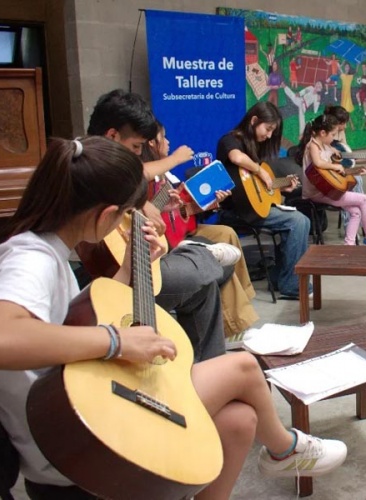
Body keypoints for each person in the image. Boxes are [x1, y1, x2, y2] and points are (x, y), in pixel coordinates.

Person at [0, 136, 348, 500]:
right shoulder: (29, 260)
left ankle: (280, 449)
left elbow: (79, 316)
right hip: (73, 436)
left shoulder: (40, 250)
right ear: (108, 213)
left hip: (72, 414)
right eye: (126, 213)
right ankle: (285, 450)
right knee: (243, 367)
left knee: (240, 420)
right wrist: (118, 342)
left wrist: (130, 268)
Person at [87, 89, 228, 361]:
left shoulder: (112, 173)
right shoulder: (90, 166)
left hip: (139, 263)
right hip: (121, 277)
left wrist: (149, 206)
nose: (139, 155)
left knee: (204, 286)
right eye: (136, 147)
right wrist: (139, 203)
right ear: (113, 137)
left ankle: (210, 365)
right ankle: (206, 256)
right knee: (202, 261)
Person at [141, 123, 259, 338]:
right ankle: (235, 326)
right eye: (164, 138)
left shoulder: (167, 177)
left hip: (182, 232)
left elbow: (180, 212)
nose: (168, 142)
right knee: (217, 255)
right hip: (165, 244)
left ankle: (242, 307)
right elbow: (153, 216)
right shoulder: (144, 177)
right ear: (151, 142)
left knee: (227, 233)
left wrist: (206, 206)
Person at [216, 101, 311, 301]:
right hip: (235, 210)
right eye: (267, 129)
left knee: (299, 221)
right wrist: (260, 170)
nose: (268, 136)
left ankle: (280, 277)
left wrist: (278, 185)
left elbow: (256, 187)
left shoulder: (255, 147)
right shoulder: (230, 140)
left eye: (272, 132)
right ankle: (291, 285)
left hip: (253, 207)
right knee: (299, 221)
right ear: (253, 121)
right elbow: (236, 158)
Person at [297, 113, 366, 246]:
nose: (334, 138)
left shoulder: (325, 145)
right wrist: (335, 165)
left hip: (326, 190)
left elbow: (332, 162)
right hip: (317, 193)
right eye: (332, 135)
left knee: (356, 212)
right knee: (364, 199)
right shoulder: (312, 145)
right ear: (322, 133)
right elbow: (318, 163)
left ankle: (348, 246)